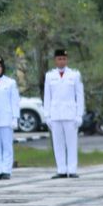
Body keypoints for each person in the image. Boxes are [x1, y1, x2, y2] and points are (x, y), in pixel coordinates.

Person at [41, 48, 84, 178]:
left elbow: (80, 95)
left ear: (67, 60)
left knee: (71, 143)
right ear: (55, 60)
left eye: (64, 59)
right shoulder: (50, 76)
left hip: (70, 114)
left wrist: (79, 115)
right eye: (59, 59)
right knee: (58, 144)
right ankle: (61, 170)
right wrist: (47, 115)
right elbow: (47, 97)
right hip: (55, 114)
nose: (61, 61)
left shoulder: (74, 75)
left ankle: (72, 169)